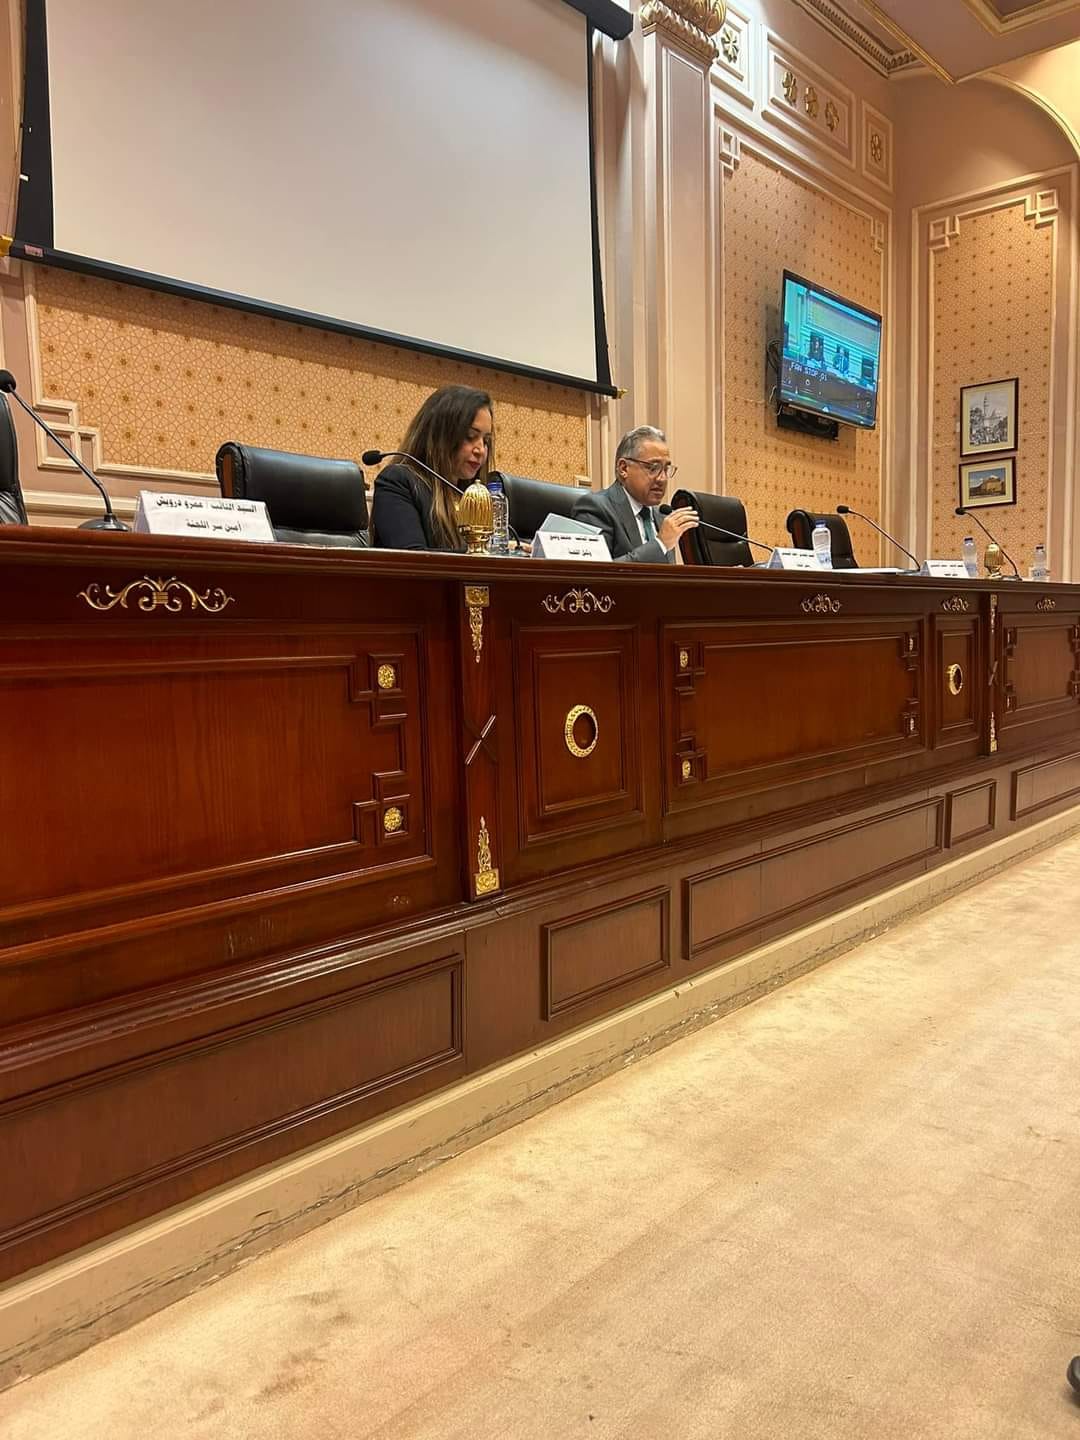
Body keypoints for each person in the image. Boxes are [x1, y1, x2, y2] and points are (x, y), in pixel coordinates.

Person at [371, 384, 494, 550]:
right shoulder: (398, 482)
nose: (481, 450)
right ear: (439, 435)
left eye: (486, 441)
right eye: (470, 436)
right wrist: (486, 551)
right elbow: (413, 559)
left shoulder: (471, 496)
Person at [571, 425, 697, 563]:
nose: (662, 478)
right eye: (653, 468)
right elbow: (597, 571)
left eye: (666, 469)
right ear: (623, 468)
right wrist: (660, 544)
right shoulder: (595, 508)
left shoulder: (662, 517)